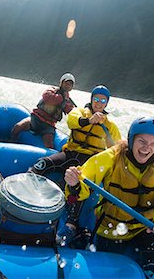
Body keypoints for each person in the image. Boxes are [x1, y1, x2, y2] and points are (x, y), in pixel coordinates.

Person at [63, 117, 154, 278]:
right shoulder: (111, 157)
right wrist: (74, 182)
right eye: (142, 141)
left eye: (153, 144)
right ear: (131, 139)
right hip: (111, 227)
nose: (146, 148)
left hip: (145, 229)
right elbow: (85, 179)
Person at [29, 85, 122, 244]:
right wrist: (89, 120)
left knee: (78, 186)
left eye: (102, 101)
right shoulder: (79, 112)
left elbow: (115, 149)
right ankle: (27, 193)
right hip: (70, 154)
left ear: (106, 103)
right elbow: (72, 122)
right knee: (41, 164)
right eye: (96, 99)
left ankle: (71, 224)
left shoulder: (110, 125)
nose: (98, 103)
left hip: (89, 162)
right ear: (91, 99)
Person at [10, 73, 76, 149]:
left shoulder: (68, 101)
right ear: (61, 83)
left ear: (71, 87)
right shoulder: (52, 90)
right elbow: (49, 98)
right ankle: (11, 145)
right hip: (36, 119)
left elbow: (71, 111)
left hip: (48, 126)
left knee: (49, 146)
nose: (67, 86)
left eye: (70, 84)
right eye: (66, 83)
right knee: (17, 128)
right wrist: (62, 98)